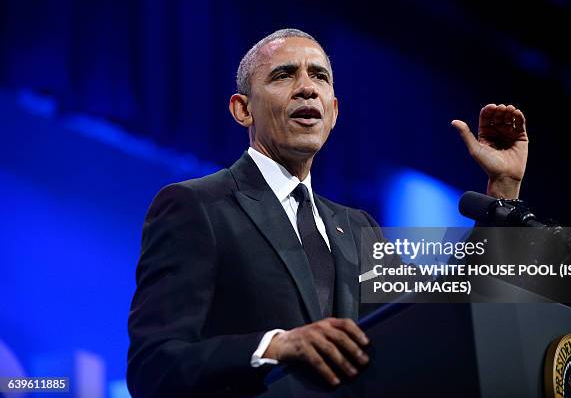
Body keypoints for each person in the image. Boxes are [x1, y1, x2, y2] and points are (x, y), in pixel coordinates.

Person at [126, 28, 528, 397]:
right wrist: (276, 346)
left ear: (333, 112)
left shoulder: (357, 228)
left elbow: (442, 314)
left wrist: (503, 191)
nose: (306, 89)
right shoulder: (197, 206)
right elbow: (154, 366)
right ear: (242, 110)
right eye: (284, 75)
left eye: (319, 77)